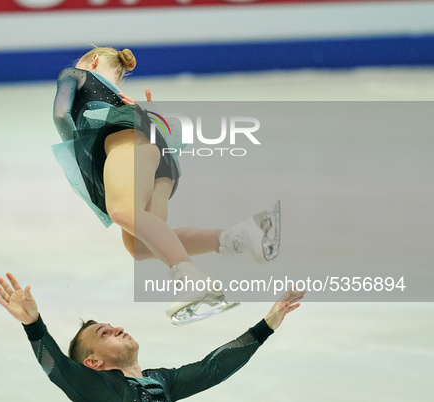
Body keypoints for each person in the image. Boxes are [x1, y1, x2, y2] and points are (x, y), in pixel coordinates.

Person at [51, 46, 281, 324]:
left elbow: (61, 115)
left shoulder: (74, 74)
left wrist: (77, 150)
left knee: (123, 212)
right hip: (159, 158)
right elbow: (157, 127)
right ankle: (238, 235)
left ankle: (193, 281)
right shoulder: (124, 102)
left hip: (126, 142)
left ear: (94, 60)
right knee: (140, 246)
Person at [0, 273, 305, 402]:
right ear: (93, 362)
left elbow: (213, 369)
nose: (117, 329)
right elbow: (56, 368)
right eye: (105, 333)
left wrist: (268, 323)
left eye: (112, 326)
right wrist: (33, 324)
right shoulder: (98, 389)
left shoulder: (160, 381)